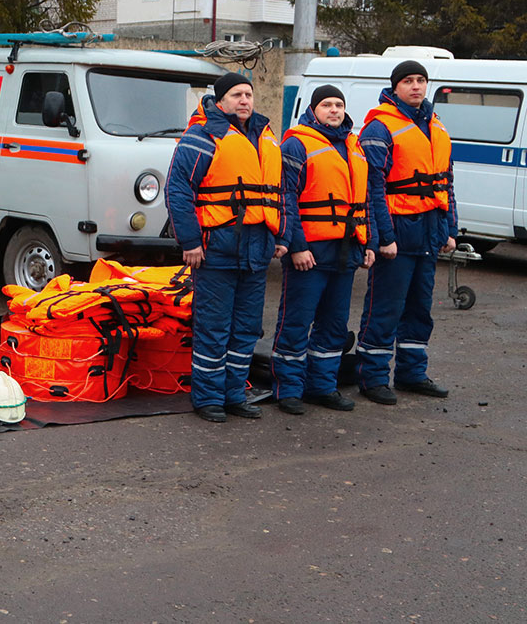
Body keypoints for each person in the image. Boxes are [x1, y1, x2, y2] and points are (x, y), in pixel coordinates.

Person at [166, 72, 286, 423]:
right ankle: (207, 398)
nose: (245, 101)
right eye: (236, 95)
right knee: (214, 327)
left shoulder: (265, 137)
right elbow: (178, 191)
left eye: (248, 94)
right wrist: (189, 241)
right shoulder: (203, 136)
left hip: (257, 248)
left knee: (246, 327)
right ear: (221, 101)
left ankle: (234, 394)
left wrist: (282, 238)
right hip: (216, 248)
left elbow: (280, 194)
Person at [356, 60, 456, 403]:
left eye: (421, 81)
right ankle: (372, 378)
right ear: (395, 87)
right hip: (398, 229)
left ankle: (412, 373)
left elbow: (446, 182)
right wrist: (385, 237)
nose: (416, 86)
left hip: (429, 230)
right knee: (385, 307)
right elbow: (373, 189)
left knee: (419, 308)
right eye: (409, 81)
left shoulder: (436, 126)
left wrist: (450, 229)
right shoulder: (380, 128)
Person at [270, 85, 374, 415]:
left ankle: (323, 387)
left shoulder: (354, 146)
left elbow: (366, 199)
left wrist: (368, 241)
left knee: (334, 324)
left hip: (346, 250)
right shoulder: (296, 143)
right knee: (297, 322)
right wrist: (297, 246)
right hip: (310, 252)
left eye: (338, 104)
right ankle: (288, 389)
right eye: (326, 104)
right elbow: (285, 197)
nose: (334, 110)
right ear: (313, 110)